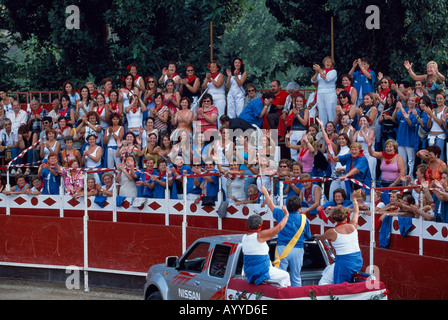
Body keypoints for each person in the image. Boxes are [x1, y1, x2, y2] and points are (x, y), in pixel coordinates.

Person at [264, 184, 311, 287]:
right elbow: (308, 236)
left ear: (286, 206)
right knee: (296, 277)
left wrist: (265, 193)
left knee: (279, 276)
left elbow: (270, 204)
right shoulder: (304, 219)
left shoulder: (281, 214)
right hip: (298, 249)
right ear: (300, 207)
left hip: (282, 249)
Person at [315, 189, 363, 284]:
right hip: (358, 261)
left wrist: (316, 236)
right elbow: (356, 212)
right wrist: (354, 198)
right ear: (347, 215)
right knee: (328, 269)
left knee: (323, 283)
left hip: (344, 263)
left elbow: (321, 237)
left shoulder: (331, 231)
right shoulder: (353, 225)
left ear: (334, 218)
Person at [242, 196, 291, 287]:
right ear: (260, 226)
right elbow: (278, 228)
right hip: (261, 270)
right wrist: (286, 215)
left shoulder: (244, 237)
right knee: (286, 276)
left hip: (249, 270)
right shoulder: (260, 235)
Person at [311, 56, 338, 125]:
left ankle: (333, 128)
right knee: (322, 112)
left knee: (331, 112)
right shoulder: (321, 71)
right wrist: (317, 72)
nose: (328, 63)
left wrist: (320, 70)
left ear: (332, 64)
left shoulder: (333, 71)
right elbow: (313, 80)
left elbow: (327, 79)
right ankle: (323, 129)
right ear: (324, 63)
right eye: (326, 61)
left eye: (330, 61)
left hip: (330, 93)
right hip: (320, 93)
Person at [202, 60, 226, 125]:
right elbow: (203, 87)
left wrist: (211, 79)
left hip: (219, 99)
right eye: (211, 67)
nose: (211, 68)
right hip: (210, 99)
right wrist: (206, 79)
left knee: (220, 116)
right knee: (210, 115)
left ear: (217, 68)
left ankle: (220, 131)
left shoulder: (220, 76)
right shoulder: (208, 76)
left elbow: (218, 85)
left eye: (213, 67)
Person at [285, 94, 309, 160]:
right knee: (292, 152)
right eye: (297, 101)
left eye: (300, 101)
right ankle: (294, 165)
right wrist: (289, 118)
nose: (299, 103)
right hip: (292, 131)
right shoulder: (292, 110)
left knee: (302, 149)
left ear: (303, 102)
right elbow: (286, 123)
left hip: (302, 132)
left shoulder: (305, 110)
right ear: (295, 102)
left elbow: (304, 123)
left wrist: (297, 115)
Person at [426, 91, 447, 161]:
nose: (439, 100)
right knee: (431, 156)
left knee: (440, 155)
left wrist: (431, 115)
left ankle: (441, 171)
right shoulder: (433, 110)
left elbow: (441, 123)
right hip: (431, 135)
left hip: (440, 135)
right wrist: (429, 118)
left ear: (444, 99)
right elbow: (428, 126)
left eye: (440, 98)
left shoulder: (446, 109)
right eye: (437, 98)